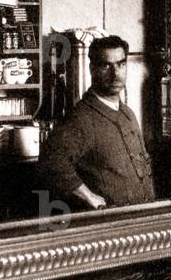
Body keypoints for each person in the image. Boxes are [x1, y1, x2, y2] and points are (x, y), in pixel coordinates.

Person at [38, 35, 155, 209]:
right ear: (92, 69)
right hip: (109, 225)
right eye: (106, 66)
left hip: (140, 220)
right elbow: (51, 161)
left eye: (121, 64)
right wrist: (89, 196)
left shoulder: (127, 113)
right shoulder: (81, 118)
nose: (115, 73)